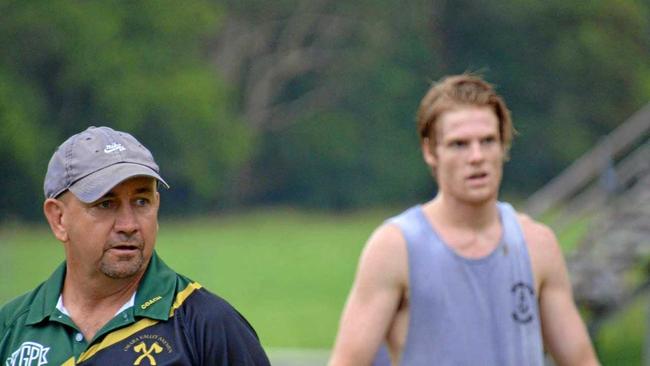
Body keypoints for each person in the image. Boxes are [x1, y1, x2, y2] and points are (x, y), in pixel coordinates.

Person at [328, 74, 600, 366]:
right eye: (459, 144)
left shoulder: (536, 244)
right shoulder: (396, 247)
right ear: (430, 151)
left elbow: (581, 360)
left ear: (503, 146)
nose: (476, 156)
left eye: (487, 141)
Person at [0, 126, 270, 365]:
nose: (128, 224)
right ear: (58, 219)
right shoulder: (10, 329)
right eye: (105, 204)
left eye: (141, 202)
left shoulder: (207, 325)